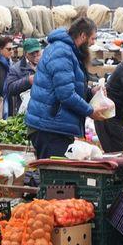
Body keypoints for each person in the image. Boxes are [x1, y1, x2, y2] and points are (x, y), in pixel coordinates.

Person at [26, 17, 108, 159]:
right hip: (48, 127)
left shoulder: (69, 51)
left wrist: (90, 92)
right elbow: (65, 94)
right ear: (83, 35)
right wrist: (90, 111)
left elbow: (68, 85)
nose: (93, 43)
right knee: (54, 176)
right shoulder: (61, 52)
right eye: (93, 38)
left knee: (59, 176)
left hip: (55, 126)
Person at [6, 38, 42, 117]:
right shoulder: (16, 69)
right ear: (25, 53)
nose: (35, 55)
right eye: (32, 53)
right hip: (26, 111)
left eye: (37, 52)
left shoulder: (46, 64)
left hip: (44, 109)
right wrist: (28, 81)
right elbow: (10, 88)